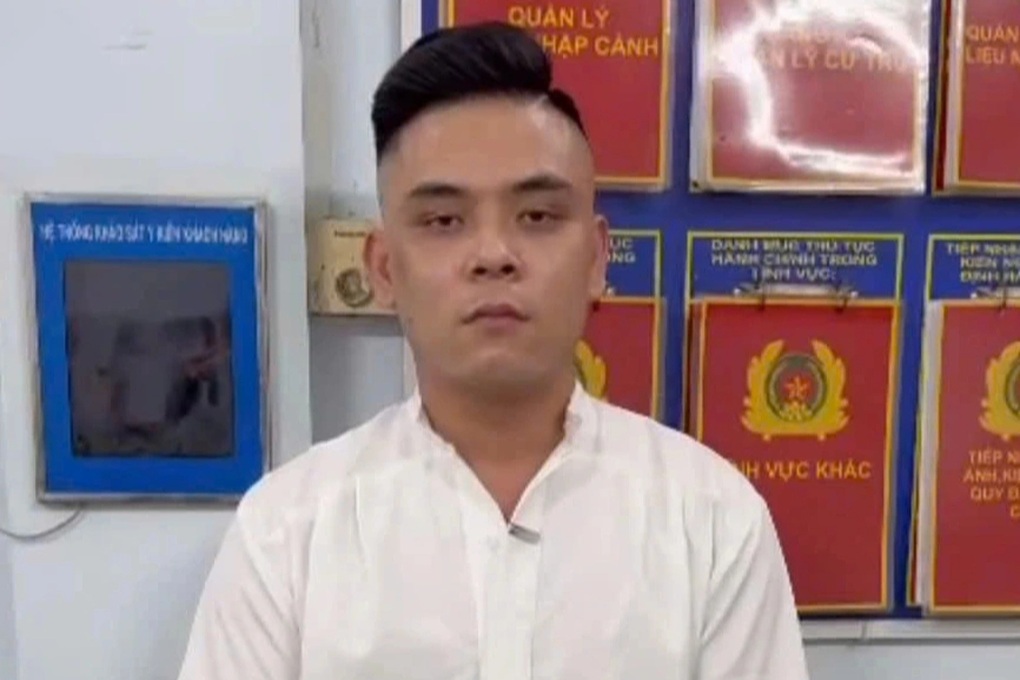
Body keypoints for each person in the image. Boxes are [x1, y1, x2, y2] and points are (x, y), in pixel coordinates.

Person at [176, 21, 810, 680]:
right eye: (444, 221)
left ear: (596, 258)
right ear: (385, 268)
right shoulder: (286, 534)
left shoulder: (710, 520)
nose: (494, 255)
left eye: (536, 216)